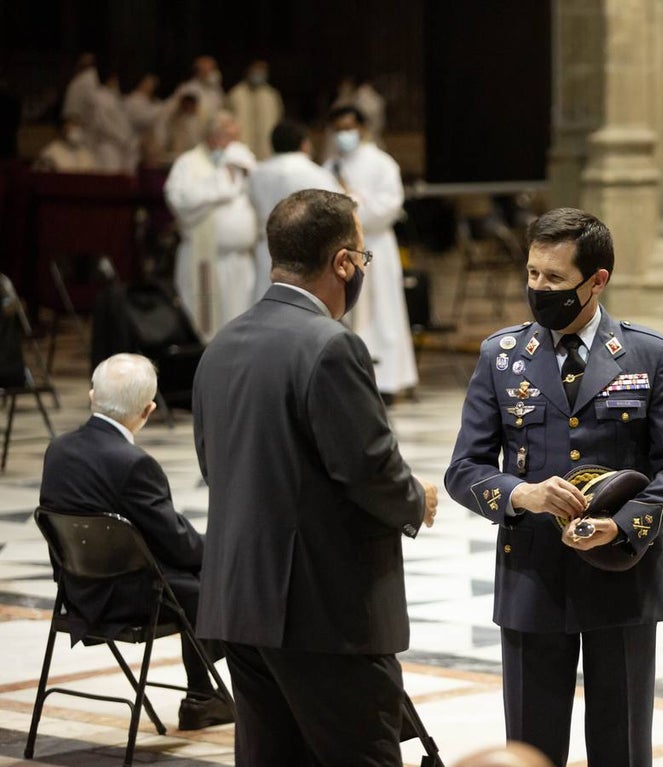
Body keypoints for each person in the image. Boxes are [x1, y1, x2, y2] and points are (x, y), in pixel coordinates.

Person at [444, 207, 663, 767]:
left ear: (597, 280)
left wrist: (622, 523)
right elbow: (464, 469)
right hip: (532, 578)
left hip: (621, 576)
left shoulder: (645, 354)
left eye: (555, 279)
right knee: (532, 748)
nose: (539, 289)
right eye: (533, 274)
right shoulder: (502, 356)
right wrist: (523, 494)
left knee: (622, 747)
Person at [192, 188, 438, 766]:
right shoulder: (330, 345)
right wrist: (414, 500)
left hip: (240, 602)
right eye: (363, 259)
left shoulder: (221, 343)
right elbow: (368, 466)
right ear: (344, 262)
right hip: (323, 612)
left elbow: (214, 464)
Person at [39, 353, 232, 731]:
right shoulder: (131, 463)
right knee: (211, 580)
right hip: (124, 598)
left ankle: (204, 694)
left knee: (196, 576)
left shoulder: (58, 449)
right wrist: (221, 552)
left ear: (93, 396)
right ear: (148, 411)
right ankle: (203, 695)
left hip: (75, 591)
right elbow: (176, 543)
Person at [324, 105, 417, 400]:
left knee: (383, 312)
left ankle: (387, 381)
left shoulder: (382, 163)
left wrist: (352, 205)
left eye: (349, 128)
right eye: (338, 129)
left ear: (362, 129)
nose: (344, 135)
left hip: (375, 244)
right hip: (343, 249)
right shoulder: (330, 166)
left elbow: (388, 207)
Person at [164, 110, 258, 339]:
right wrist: (220, 182)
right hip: (202, 259)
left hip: (241, 262)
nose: (235, 144)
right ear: (213, 137)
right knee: (204, 327)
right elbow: (180, 201)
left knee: (240, 325)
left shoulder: (242, 162)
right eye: (230, 137)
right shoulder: (188, 163)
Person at [248, 119, 340, 302]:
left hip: (266, 249)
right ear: (305, 144)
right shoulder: (317, 174)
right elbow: (337, 214)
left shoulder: (256, 174)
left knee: (266, 305)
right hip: (306, 254)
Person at [227, 60, 283, 160]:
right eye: (256, 72)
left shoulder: (271, 95)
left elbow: (278, 120)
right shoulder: (236, 94)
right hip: (242, 147)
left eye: (261, 72)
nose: (258, 75)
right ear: (248, 72)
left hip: (266, 149)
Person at [173, 55, 225, 138]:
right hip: (191, 133)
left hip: (211, 134)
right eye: (208, 70)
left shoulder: (216, 91)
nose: (212, 73)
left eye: (213, 69)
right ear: (199, 71)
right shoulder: (188, 89)